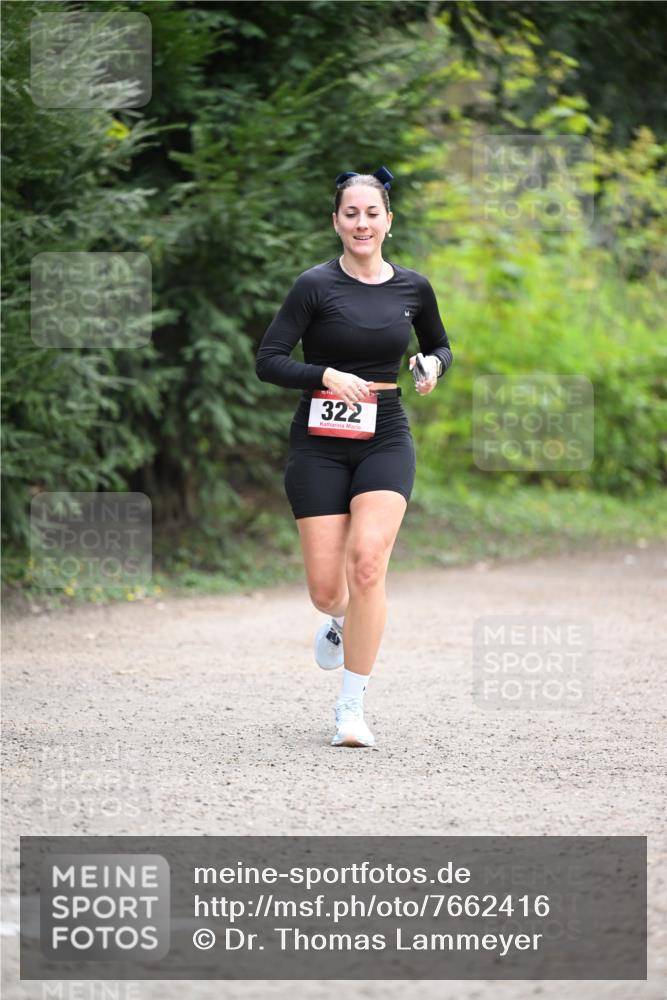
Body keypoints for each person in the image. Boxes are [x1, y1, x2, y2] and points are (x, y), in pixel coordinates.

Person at [255, 166, 452, 748]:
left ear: (388, 222)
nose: (361, 223)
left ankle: (351, 707)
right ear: (336, 221)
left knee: (368, 562)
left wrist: (432, 365)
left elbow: (438, 343)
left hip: (385, 434)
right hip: (318, 441)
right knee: (326, 588)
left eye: (372, 213)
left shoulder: (413, 289)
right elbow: (268, 360)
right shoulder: (314, 286)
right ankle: (339, 620)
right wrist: (324, 374)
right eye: (351, 213)